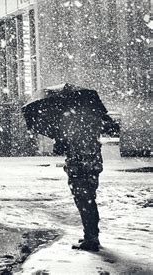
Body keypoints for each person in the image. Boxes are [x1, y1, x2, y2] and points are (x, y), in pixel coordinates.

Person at [55, 103, 104, 252]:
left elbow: (63, 149)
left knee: (85, 203)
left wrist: (60, 141)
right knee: (89, 201)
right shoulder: (91, 123)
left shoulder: (73, 127)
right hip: (90, 169)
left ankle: (91, 239)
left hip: (80, 170)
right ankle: (91, 235)